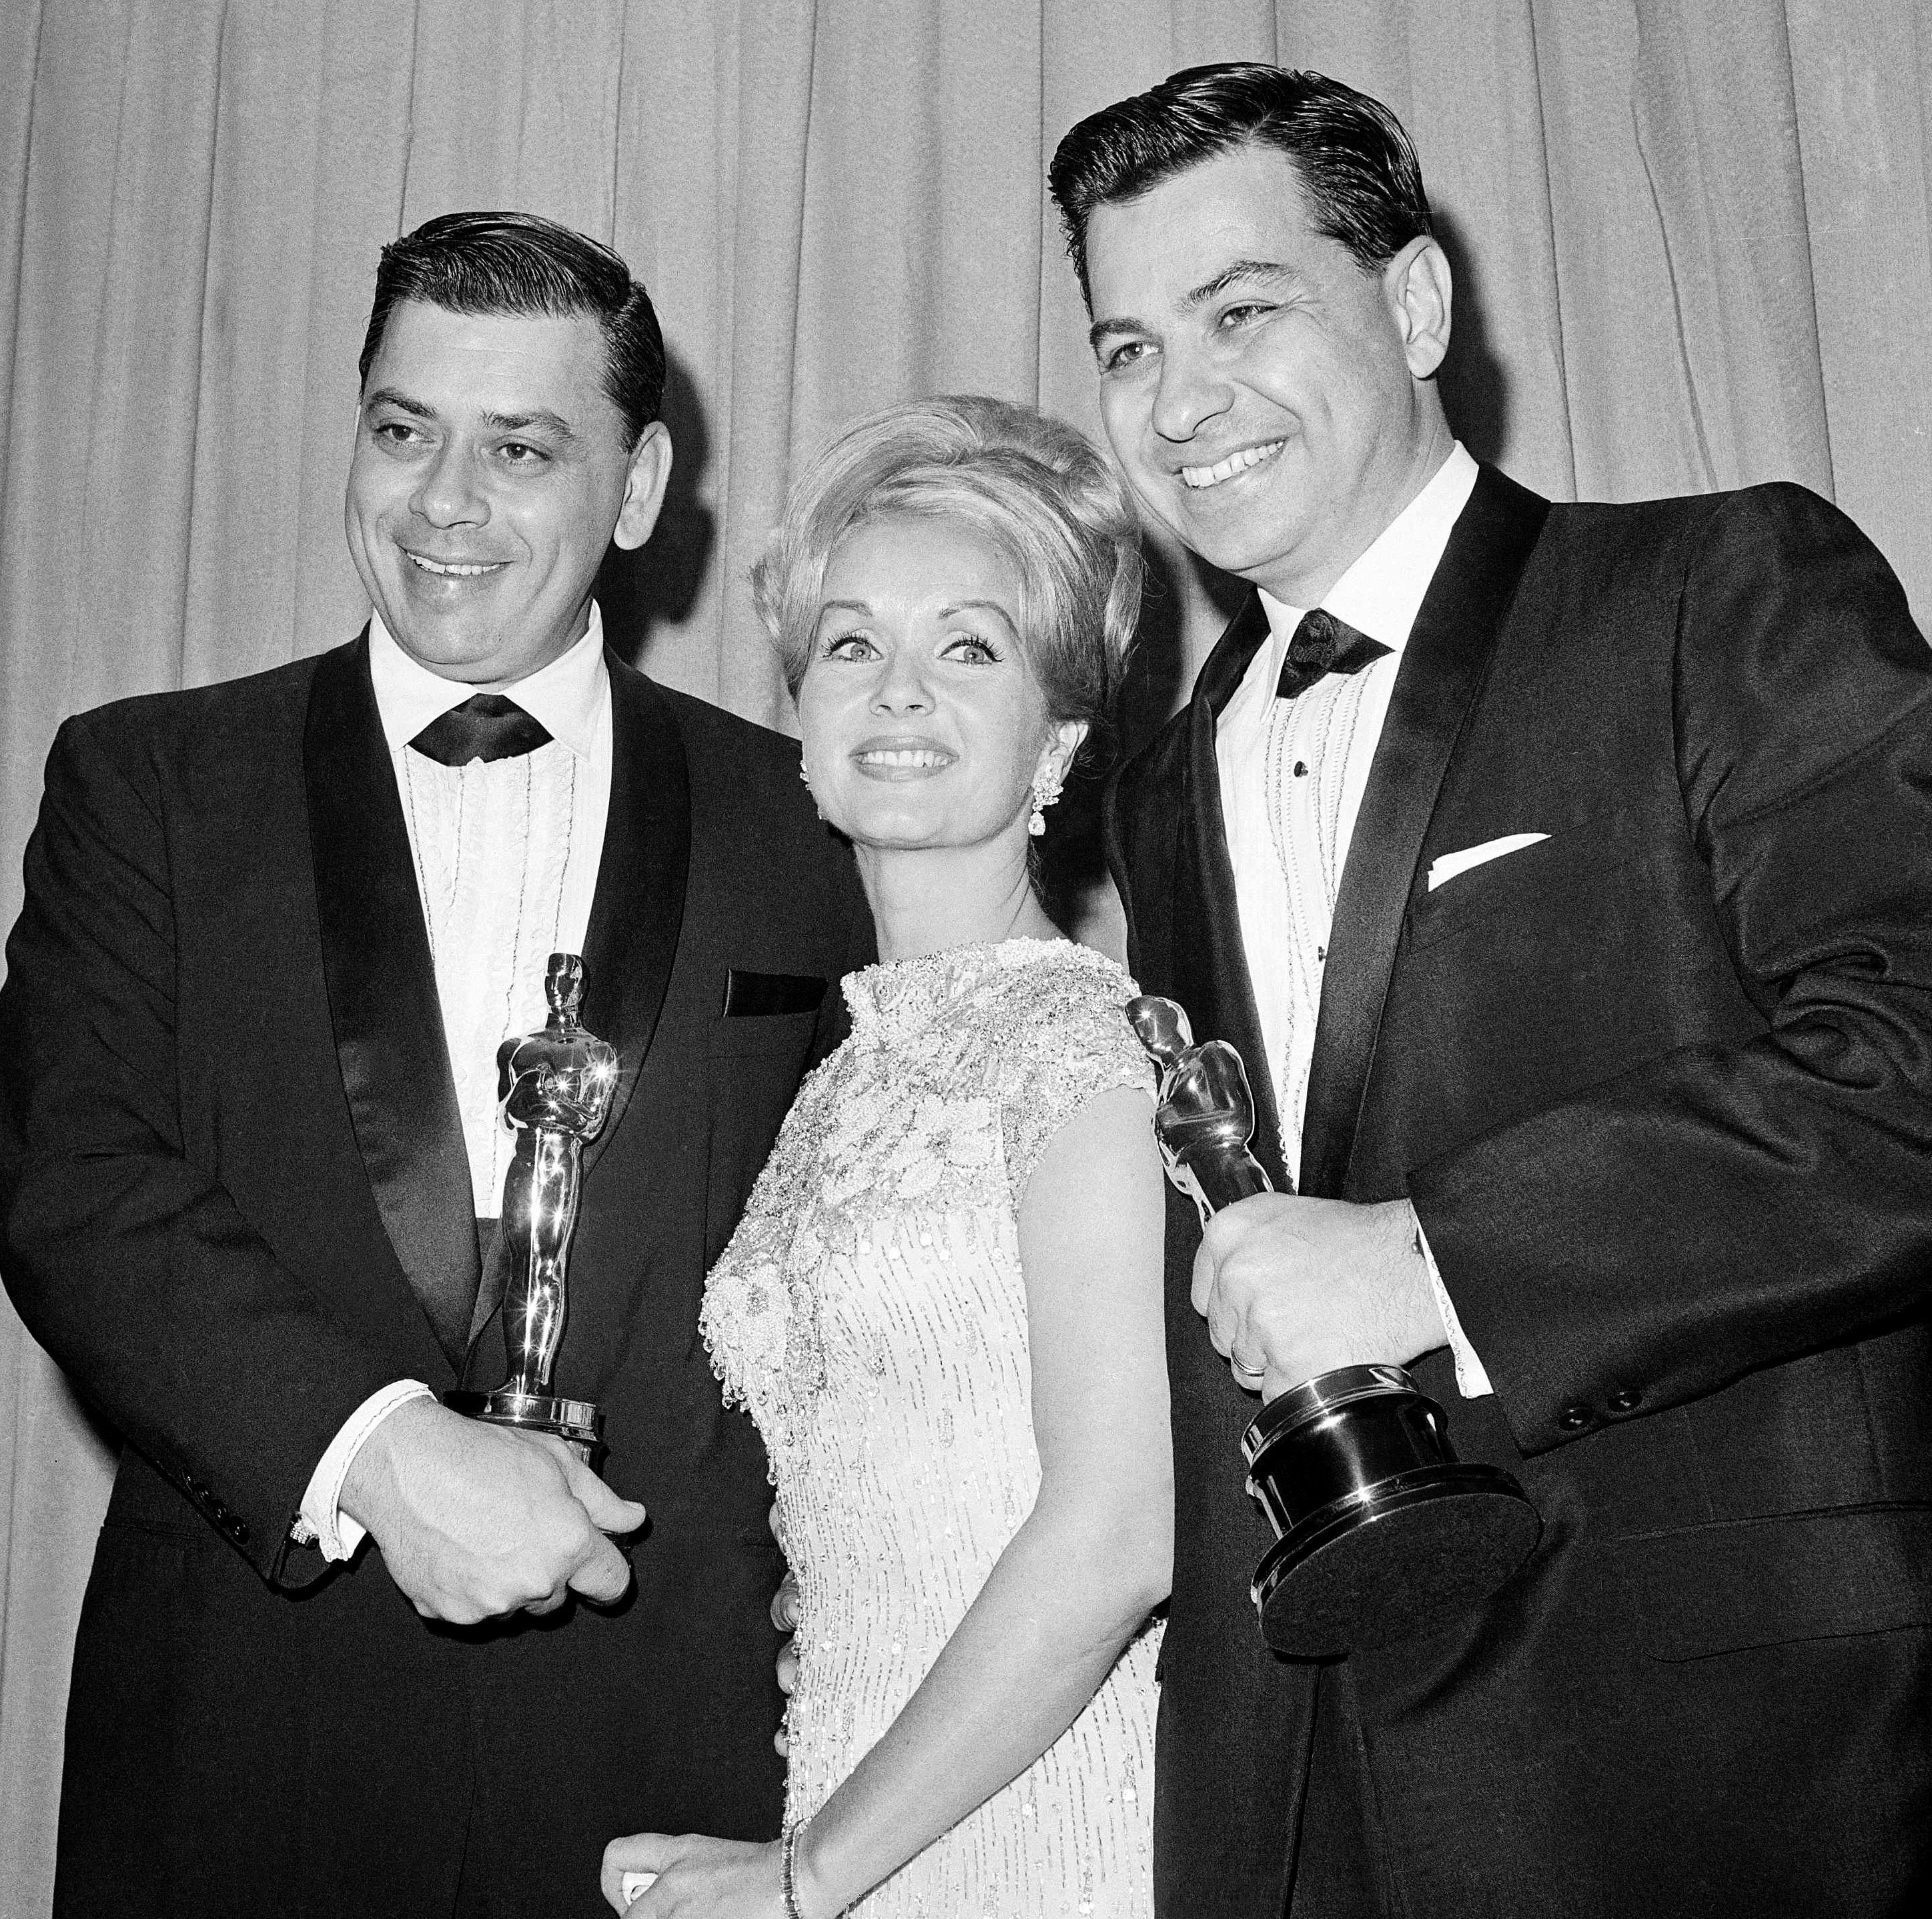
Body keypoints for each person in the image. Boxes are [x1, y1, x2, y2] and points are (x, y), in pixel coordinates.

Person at [1046, 62, 1932, 1919]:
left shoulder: (1713, 588)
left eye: (1243, 312)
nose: (1180, 402)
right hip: (1306, 1779)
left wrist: (1437, 1257)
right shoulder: (1155, 777)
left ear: (1420, 302)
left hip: (1720, 1759)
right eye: (1127, 349)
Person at [0, 211, 872, 1918]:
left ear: (635, 489)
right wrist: (382, 1447)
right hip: (244, 1740)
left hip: (682, 1754)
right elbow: (68, 1178)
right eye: (404, 431)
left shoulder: (812, 820)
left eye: (521, 447)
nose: (445, 503)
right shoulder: (147, 784)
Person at [600, 396, 1172, 1917]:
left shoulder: (1083, 1047)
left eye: (967, 647)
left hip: (1043, 1825)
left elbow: (1117, 1530)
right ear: (797, 715)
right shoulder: (842, 1068)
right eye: (849, 645)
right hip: (859, 1789)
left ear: (1057, 738)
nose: (896, 690)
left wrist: (808, 1876)